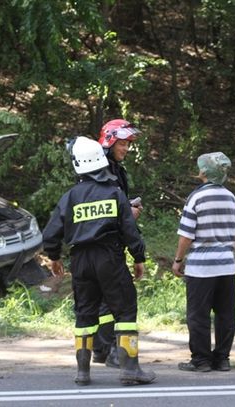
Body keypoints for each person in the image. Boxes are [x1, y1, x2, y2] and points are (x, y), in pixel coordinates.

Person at [42, 136, 156, 386]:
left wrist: (54, 257)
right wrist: (139, 258)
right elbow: (129, 230)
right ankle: (130, 369)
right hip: (109, 257)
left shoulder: (70, 196)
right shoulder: (114, 193)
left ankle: (83, 373)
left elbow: (51, 233)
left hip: (80, 260)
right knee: (125, 309)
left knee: (85, 314)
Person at [172, 152, 235, 372]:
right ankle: (222, 359)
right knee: (225, 314)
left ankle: (201, 361)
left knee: (198, 315)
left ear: (204, 172)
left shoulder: (196, 198)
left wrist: (178, 260)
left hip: (201, 268)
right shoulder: (230, 197)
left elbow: (186, 236)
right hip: (227, 266)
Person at [92, 119, 143, 368]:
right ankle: (116, 353)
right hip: (108, 245)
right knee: (122, 300)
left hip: (100, 246)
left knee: (103, 300)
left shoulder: (108, 168)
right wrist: (129, 215)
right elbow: (106, 210)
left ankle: (101, 349)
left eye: (128, 144)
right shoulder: (104, 170)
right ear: (110, 141)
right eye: (123, 143)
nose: (127, 149)